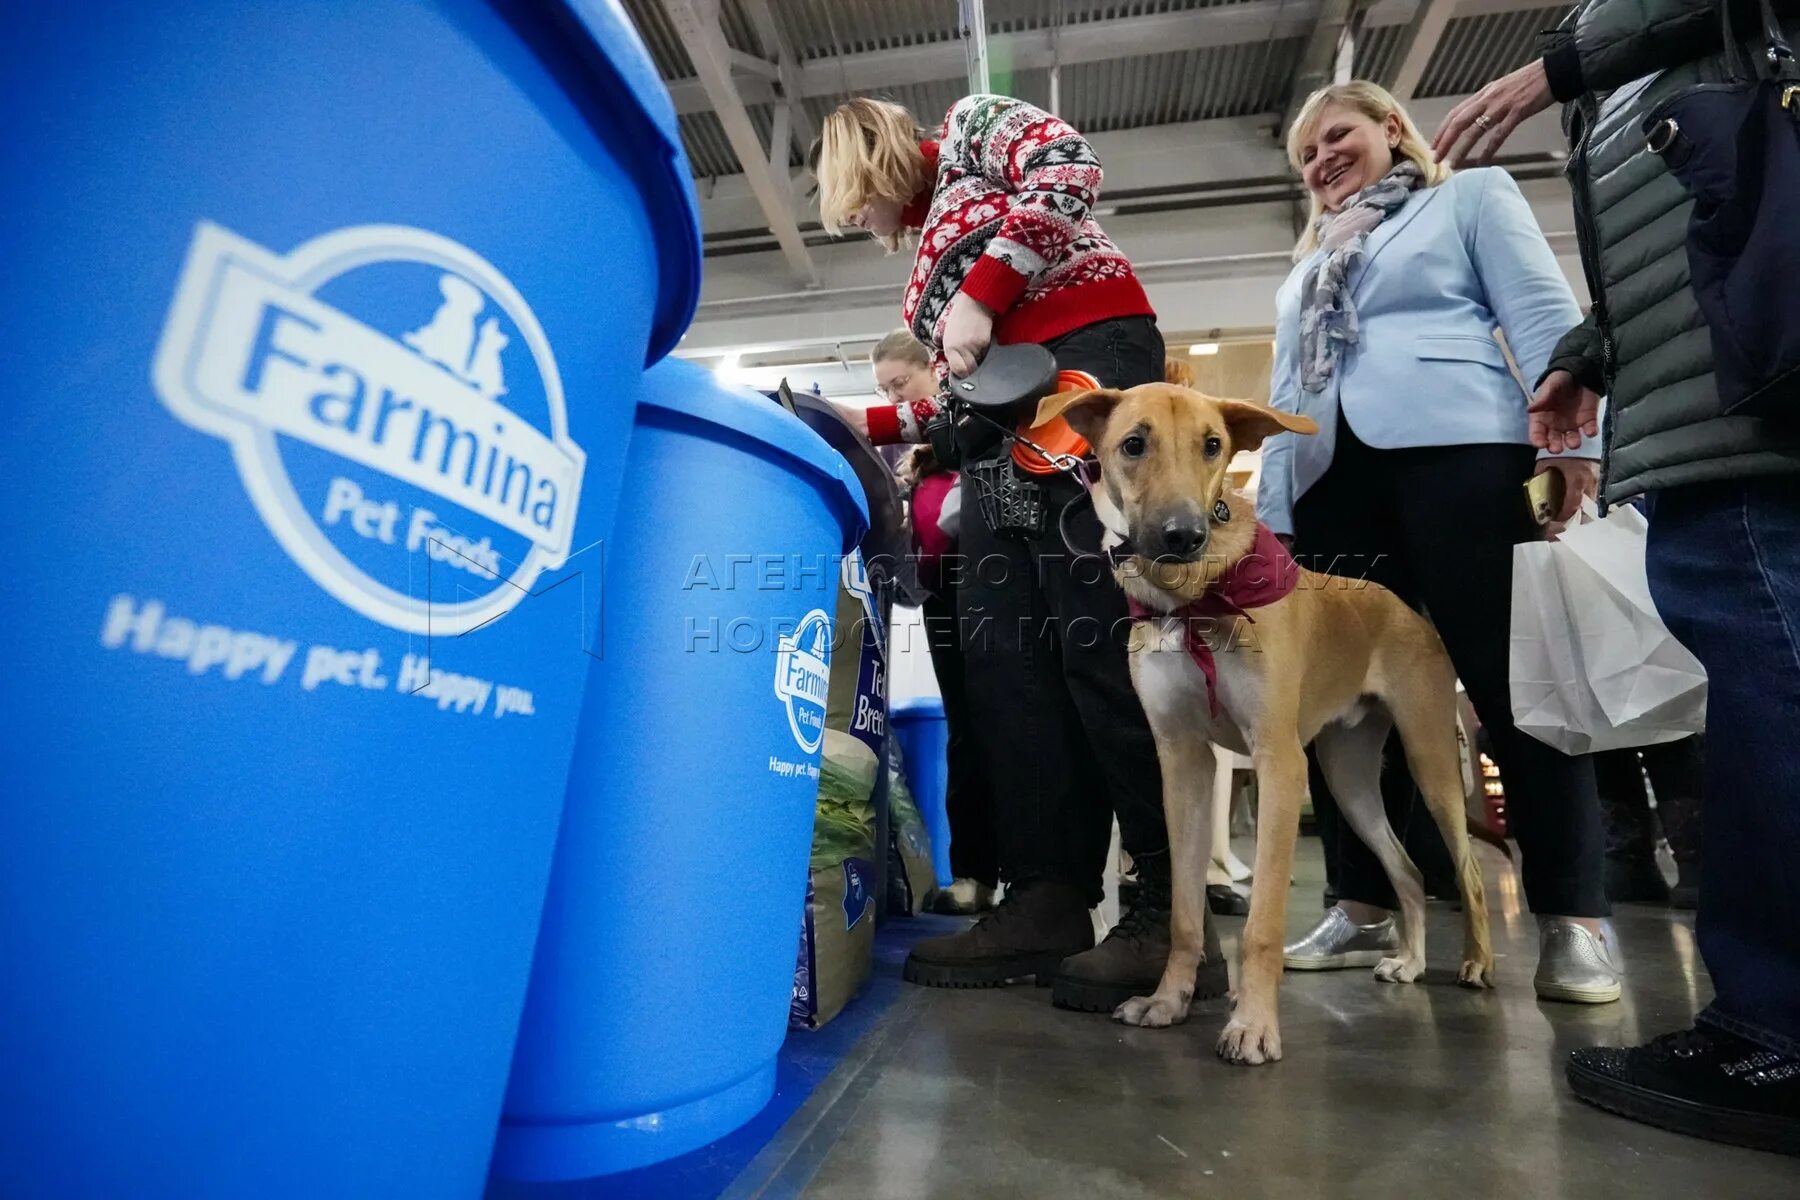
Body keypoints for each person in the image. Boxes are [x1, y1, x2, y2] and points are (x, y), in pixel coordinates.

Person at [1435, 0, 1800, 1153]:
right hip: (1699, 389)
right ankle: (1757, 1013)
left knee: (1777, 677)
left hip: (1749, 396)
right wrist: (1597, 350)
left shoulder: (1623, 37)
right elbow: (1675, 219)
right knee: (1756, 688)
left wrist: (1561, 63)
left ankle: (1780, 1031)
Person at [813, 95, 1228, 1013]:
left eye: (853, 202)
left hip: (1088, 370)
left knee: (1098, 644)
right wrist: (863, 420)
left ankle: (1169, 915)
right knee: (1009, 660)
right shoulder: (929, 249)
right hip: (1001, 429)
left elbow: (1071, 164)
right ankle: (1047, 896)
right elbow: (965, 391)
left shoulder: (969, 131)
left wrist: (984, 289)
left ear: (866, 157)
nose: (857, 224)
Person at [1256, 81, 1619, 1004]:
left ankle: (1574, 918)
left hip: (1460, 457)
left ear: (1391, 129)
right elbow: (1283, 391)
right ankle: (1363, 904)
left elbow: (1541, 313)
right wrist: (1276, 518)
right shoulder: (1304, 268)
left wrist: (1576, 445)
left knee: (1514, 687)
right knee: (1337, 706)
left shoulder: (1467, 197)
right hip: (1331, 485)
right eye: (1305, 154)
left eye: (1337, 135)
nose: (1320, 161)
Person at [872, 329, 999, 914]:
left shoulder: (962, 424)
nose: (897, 399)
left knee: (1001, 725)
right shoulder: (915, 451)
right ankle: (975, 872)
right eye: (885, 391)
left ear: (934, 371)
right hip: (940, 595)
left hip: (987, 584)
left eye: (902, 384)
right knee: (966, 730)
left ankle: (1017, 875)